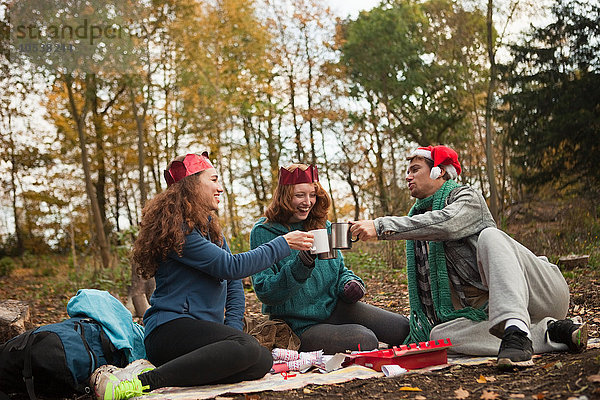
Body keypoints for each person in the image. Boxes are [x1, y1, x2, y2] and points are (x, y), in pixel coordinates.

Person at [90, 152, 314, 400]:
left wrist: (231, 335)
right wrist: (281, 244)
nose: (220, 188)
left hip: (201, 333)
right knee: (248, 349)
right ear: (192, 185)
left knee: (259, 361)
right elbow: (231, 267)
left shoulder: (211, 229)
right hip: (169, 330)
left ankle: (174, 374)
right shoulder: (179, 231)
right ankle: (143, 381)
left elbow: (234, 285)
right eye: (214, 180)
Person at [349, 145, 588, 369]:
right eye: (407, 171)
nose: (407, 177)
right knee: (439, 336)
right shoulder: (420, 221)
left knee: (490, 237)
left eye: (415, 169)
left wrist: (381, 226)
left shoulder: (466, 198)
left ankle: (517, 328)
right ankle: (551, 332)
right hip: (493, 312)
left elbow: (446, 224)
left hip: (542, 292)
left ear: (438, 171)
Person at [250, 163, 410, 354]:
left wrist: (349, 283)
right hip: (298, 324)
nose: (308, 202)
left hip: (334, 307)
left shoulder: (321, 225)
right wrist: (301, 265)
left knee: (401, 328)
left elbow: (339, 270)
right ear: (284, 196)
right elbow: (265, 291)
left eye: (312, 194)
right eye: (299, 195)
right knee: (365, 341)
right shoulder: (264, 232)